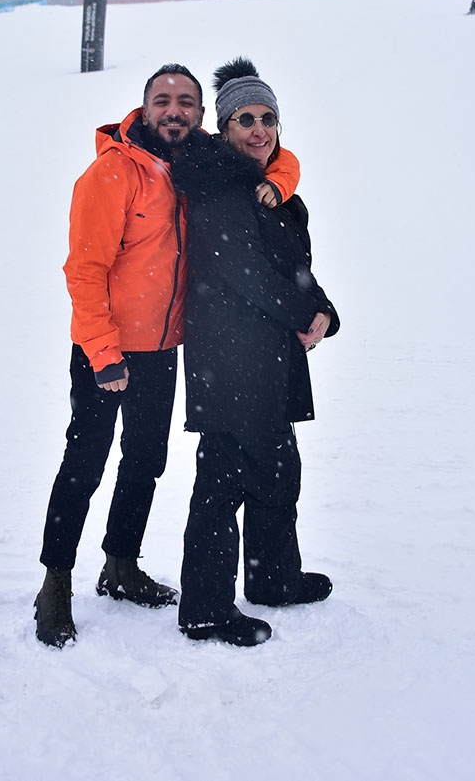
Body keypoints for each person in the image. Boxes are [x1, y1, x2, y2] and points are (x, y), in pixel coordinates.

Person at [35, 64, 302, 648]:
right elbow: (84, 270)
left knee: (145, 459)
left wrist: (280, 183)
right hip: (106, 348)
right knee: (86, 461)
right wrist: (103, 353)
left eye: (185, 102)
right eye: (163, 100)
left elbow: (271, 157)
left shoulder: (197, 160)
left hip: (161, 348)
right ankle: (55, 583)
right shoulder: (112, 173)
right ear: (144, 107)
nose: (174, 110)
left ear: (201, 116)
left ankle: (120, 564)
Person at [171, 57, 340, 647]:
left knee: (277, 472)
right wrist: (305, 315)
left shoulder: (270, 193)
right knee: (222, 484)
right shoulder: (221, 190)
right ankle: (205, 607)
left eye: (268, 118)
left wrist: (324, 311)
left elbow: (292, 269)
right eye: (246, 119)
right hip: (231, 359)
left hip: (267, 357)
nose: (260, 130)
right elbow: (249, 274)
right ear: (223, 128)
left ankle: (274, 576)